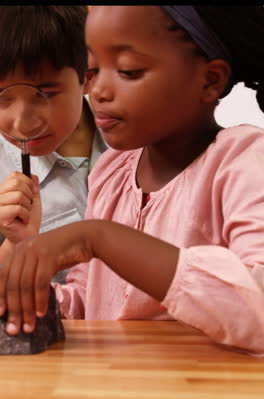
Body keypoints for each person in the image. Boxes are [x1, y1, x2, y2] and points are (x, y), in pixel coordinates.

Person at [1, 5, 264, 356]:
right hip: (117, 397)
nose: (98, 93)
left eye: (128, 71)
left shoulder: (242, 162)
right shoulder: (112, 172)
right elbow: (87, 300)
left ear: (210, 79)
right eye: (92, 71)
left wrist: (100, 237)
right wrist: (25, 278)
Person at [0, 5, 107, 283]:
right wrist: (14, 244)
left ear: (87, 77)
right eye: (3, 97)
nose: (22, 123)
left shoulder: (132, 144)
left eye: (44, 94)